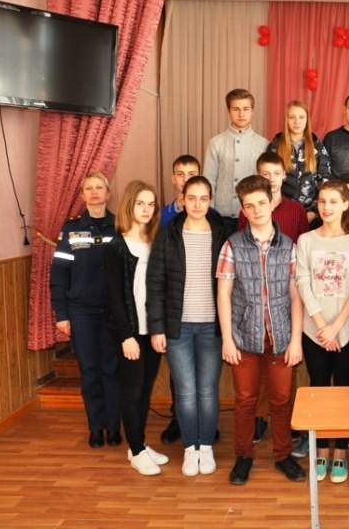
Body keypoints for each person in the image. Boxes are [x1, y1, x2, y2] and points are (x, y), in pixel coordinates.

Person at [217, 175, 307, 485]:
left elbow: (296, 296)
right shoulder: (232, 245)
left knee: (281, 400)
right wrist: (227, 339)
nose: (256, 210)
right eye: (249, 206)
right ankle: (243, 456)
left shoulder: (289, 246)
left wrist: (296, 340)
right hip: (244, 338)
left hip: (281, 338)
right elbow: (224, 295)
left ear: (271, 204)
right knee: (245, 401)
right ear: (243, 210)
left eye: (261, 203)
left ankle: (283, 456)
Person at [147, 176, 230, 477]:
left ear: (210, 200)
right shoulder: (168, 235)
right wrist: (157, 328)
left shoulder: (222, 235)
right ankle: (189, 448)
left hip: (211, 327)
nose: (197, 204)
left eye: (203, 198)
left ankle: (205, 447)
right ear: (182, 199)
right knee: (184, 391)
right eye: (191, 197)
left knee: (207, 390)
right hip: (177, 328)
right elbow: (155, 284)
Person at [236, 152, 310, 447]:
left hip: (282, 310)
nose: (271, 179)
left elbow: (302, 251)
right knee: (248, 392)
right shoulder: (243, 223)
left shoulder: (296, 213)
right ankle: (254, 429)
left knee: (282, 390)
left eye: (275, 173)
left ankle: (284, 443)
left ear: (283, 176)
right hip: (252, 312)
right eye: (264, 174)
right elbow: (241, 260)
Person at [296, 180, 349, 484]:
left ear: (346, 204)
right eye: (322, 201)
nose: (326, 207)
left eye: (333, 201)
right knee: (319, 388)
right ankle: (321, 448)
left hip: (346, 329)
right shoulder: (306, 239)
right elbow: (302, 282)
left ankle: (340, 451)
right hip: (314, 330)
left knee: (344, 390)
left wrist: (336, 327)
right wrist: (321, 326)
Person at [50, 172, 121, 449]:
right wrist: (61, 314)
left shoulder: (120, 226)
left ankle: (113, 427)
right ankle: (96, 428)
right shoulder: (70, 230)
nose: (94, 192)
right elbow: (59, 275)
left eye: (99, 187)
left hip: (113, 312)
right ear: (82, 195)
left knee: (112, 370)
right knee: (90, 371)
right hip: (81, 312)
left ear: (108, 193)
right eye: (88, 188)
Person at [104, 180, 168, 475]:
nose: (146, 209)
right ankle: (138, 450)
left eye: (151, 204)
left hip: (152, 329)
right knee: (132, 390)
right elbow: (114, 297)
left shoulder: (156, 242)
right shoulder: (116, 246)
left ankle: (137, 445)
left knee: (144, 389)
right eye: (140, 203)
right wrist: (126, 336)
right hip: (129, 332)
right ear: (129, 205)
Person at [204, 88, 269, 231]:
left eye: (246, 109)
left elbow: (267, 183)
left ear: (252, 111)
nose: (241, 114)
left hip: (253, 216)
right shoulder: (216, 143)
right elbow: (209, 181)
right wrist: (210, 214)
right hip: (221, 217)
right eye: (236, 109)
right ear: (228, 111)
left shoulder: (264, 144)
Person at [265, 100, 331, 223]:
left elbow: (325, 182)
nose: (297, 122)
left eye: (301, 117)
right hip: (281, 212)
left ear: (307, 120)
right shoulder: (275, 147)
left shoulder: (317, 147)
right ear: (286, 119)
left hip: (311, 215)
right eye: (292, 117)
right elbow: (266, 181)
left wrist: (314, 212)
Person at [237, 152, 309, 243]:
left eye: (277, 173)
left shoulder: (297, 210)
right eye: (266, 174)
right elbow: (240, 243)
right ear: (258, 175)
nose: (272, 179)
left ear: (284, 174)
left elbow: (304, 245)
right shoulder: (248, 210)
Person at [160, 155, 200, 228]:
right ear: (173, 179)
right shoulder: (161, 215)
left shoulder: (212, 214)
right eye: (180, 174)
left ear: (200, 179)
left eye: (191, 174)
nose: (186, 179)